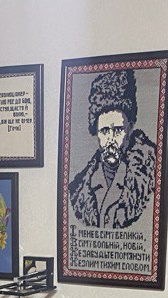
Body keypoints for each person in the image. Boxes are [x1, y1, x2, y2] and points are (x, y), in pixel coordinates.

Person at [68, 69, 158, 229]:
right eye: (104, 131)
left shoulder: (149, 176)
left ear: (130, 128)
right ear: (96, 133)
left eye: (117, 130)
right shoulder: (80, 189)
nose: (111, 139)